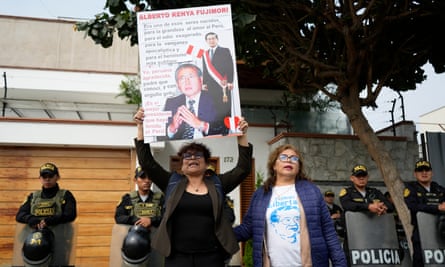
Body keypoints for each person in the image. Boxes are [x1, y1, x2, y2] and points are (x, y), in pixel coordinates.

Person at [133, 107, 253, 267]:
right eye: (187, 156)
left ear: (207, 163)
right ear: (181, 165)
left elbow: (243, 168)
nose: (192, 158)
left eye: (198, 155)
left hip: (212, 257)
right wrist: (141, 127)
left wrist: (242, 134)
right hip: (177, 257)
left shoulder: (218, 183)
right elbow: (147, 162)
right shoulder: (171, 182)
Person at [234, 144, 347, 267]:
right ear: (274, 165)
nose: (289, 160)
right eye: (283, 157)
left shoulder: (311, 191)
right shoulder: (261, 194)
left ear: (298, 167)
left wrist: (340, 264)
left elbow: (329, 232)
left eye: (294, 158)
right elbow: (247, 228)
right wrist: (217, 234)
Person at [339, 164, 394, 264]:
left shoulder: (375, 192)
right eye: (358, 176)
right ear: (352, 178)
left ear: (367, 177)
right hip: (354, 236)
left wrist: (382, 207)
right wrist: (369, 207)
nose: (361, 178)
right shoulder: (347, 192)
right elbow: (347, 205)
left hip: (376, 235)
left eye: (363, 176)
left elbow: (389, 206)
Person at [115, 166, 165, 266]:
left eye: (149, 177)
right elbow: (118, 217)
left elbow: (167, 217)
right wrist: (136, 220)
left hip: (155, 247)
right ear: (135, 180)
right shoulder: (127, 199)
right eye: (142, 177)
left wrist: (151, 220)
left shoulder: (160, 199)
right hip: (132, 249)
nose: (146, 181)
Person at [163, 63, 226, 140]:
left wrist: (202, 125)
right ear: (178, 85)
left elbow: (226, 129)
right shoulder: (171, 103)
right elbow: (159, 136)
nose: (187, 82)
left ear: (201, 80)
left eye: (191, 77)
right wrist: (172, 128)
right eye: (182, 78)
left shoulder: (217, 100)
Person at [404, 160, 445, 267]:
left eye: (427, 170)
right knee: (420, 260)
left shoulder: (439, 188)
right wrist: (437, 207)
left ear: (432, 173)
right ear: (415, 174)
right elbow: (413, 206)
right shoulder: (410, 188)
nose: (424, 173)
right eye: (420, 170)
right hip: (421, 231)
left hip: (441, 231)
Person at [16, 162, 77, 229]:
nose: (47, 179)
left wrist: (51, 220)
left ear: (57, 177)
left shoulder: (66, 195)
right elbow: (20, 215)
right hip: (34, 236)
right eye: (44, 176)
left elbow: (70, 215)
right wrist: (31, 219)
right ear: (40, 178)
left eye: (50, 176)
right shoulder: (33, 196)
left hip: (58, 237)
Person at [202, 32, 234, 121]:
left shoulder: (225, 50)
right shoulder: (205, 54)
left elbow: (230, 66)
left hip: (223, 83)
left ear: (217, 39)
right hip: (210, 85)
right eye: (209, 39)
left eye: (213, 38)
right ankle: (215, 127)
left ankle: (225, 127)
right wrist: (204, 83)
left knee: (224, 106)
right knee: (213, 106)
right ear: (206, 41)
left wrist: (230, 82)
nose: (211, 40)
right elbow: (205, 70)